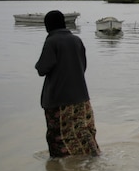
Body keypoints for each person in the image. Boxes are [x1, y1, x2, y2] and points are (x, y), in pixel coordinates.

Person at [35, 10, 100, 158]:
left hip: (59, 99)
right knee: (83, 132)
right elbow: (82, 66)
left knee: (57, 136)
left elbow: (42, 69)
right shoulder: (77, 40)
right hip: (81, 97)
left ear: (48, 25)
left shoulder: (51, 41)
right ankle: (92, 158)